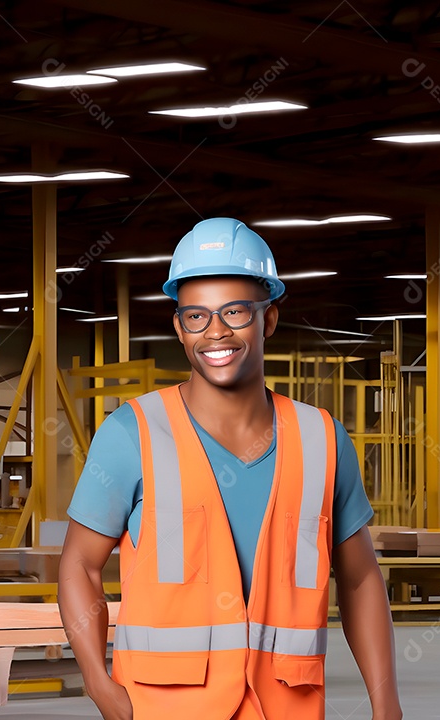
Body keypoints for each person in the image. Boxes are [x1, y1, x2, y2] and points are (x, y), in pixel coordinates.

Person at [58, 218, 402, 720]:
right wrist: (97, 682)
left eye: (235, 312)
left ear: (268, 319)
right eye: (196, 316)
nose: (215, 332)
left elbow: (359, 580)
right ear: (179, 327)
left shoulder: (322, 440)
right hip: (164, 707)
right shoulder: (133, 433)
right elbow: (79, 566)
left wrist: (386, 701)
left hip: (287, 706)